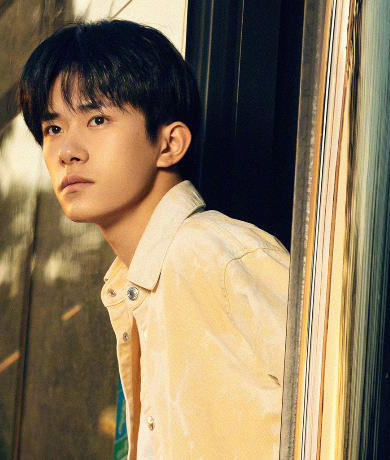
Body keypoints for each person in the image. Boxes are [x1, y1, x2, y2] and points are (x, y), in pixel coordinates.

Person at [18, 19, 289, 459]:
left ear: (169, 144)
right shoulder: (135, 289)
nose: (67, 151)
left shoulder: (211, 254)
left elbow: (353, 409)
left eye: (97, 119)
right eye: (53, 129)